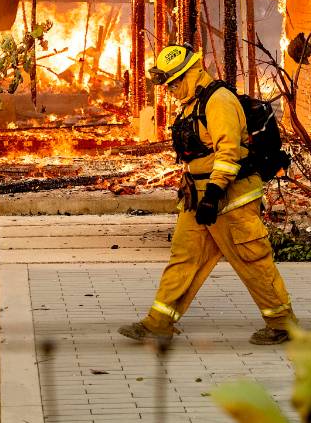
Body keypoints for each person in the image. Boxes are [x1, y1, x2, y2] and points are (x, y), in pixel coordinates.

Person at [118, 43, 295, 345]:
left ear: (191, 72)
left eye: (174, 82)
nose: (171, 89)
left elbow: (229, 151)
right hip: (199, 196)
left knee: (252, 260)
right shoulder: (192, 102)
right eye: (168, 83)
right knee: (184, 257)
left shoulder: (219, 101)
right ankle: (158, 322)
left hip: (231, 197)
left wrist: (214, 193)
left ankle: (282, 324)